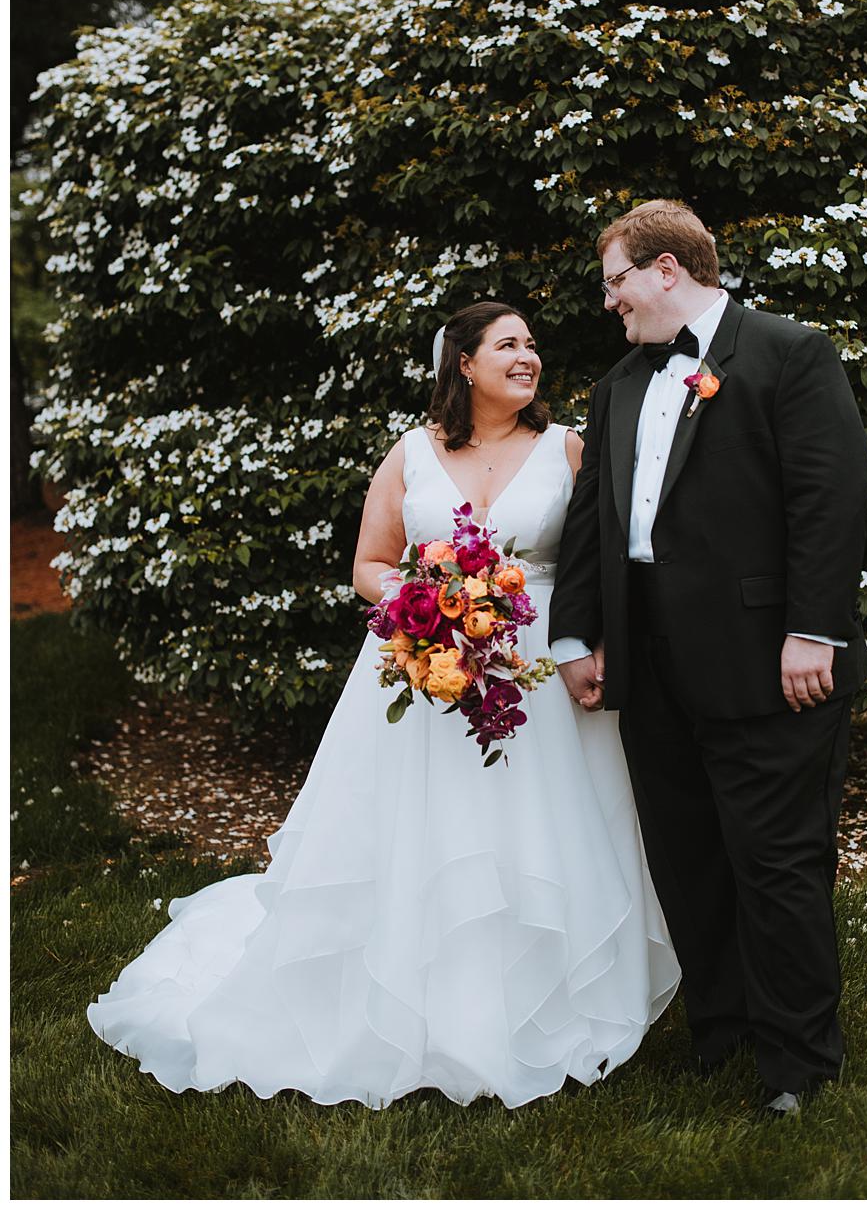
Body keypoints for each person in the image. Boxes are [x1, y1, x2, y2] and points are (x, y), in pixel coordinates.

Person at [88, 301, 679, 1107]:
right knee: (428, 829)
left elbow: (600, 564)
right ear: (463, 363)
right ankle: (416, 998)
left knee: (547, 826)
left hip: (539, 668)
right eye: (508, 344)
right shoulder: (411, 453)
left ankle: (553, 995)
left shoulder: (567, 448)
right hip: (425, 664)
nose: (528, 356)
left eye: (533, 344)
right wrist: (428, 605)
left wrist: (593, 641)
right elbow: (369, 564)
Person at [549, 199, 867, 1118]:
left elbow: (830, 498)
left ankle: (797, 1060)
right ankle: (722, 1030)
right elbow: (592, 521)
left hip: (768, 658)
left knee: (777, 861)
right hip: (648, 662)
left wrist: (814, 629)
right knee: (686, 857)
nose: (609, 302)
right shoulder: (617, 385)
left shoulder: (788, 353)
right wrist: (574, 636)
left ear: (666, 269)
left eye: (615, 282)